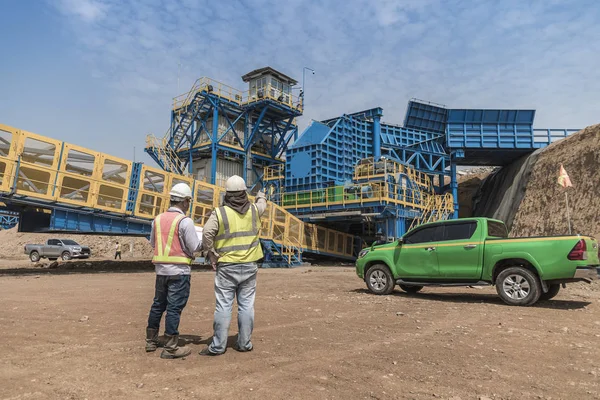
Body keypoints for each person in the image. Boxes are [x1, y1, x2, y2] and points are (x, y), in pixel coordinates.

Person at [200, 175, 266, 356]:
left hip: (227, 266)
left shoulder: (219, 213)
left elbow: (206, 232)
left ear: (227, 194)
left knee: (223, 306)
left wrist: (210, 253)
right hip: (250, 266)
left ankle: (218, 346)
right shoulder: (254, 210)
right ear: (244, 193)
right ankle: (244, 343)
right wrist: (262, 195)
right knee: (246, 306)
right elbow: (262, 205)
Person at [145, 183, 201, 359]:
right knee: (174, 308)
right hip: (179, 271)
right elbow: (195, 247)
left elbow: (154, 243)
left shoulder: (157, 219)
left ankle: (151, 341)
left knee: (158, 305)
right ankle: (171, 347)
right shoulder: (185, 221)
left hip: (161, 271)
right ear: (185, 201)